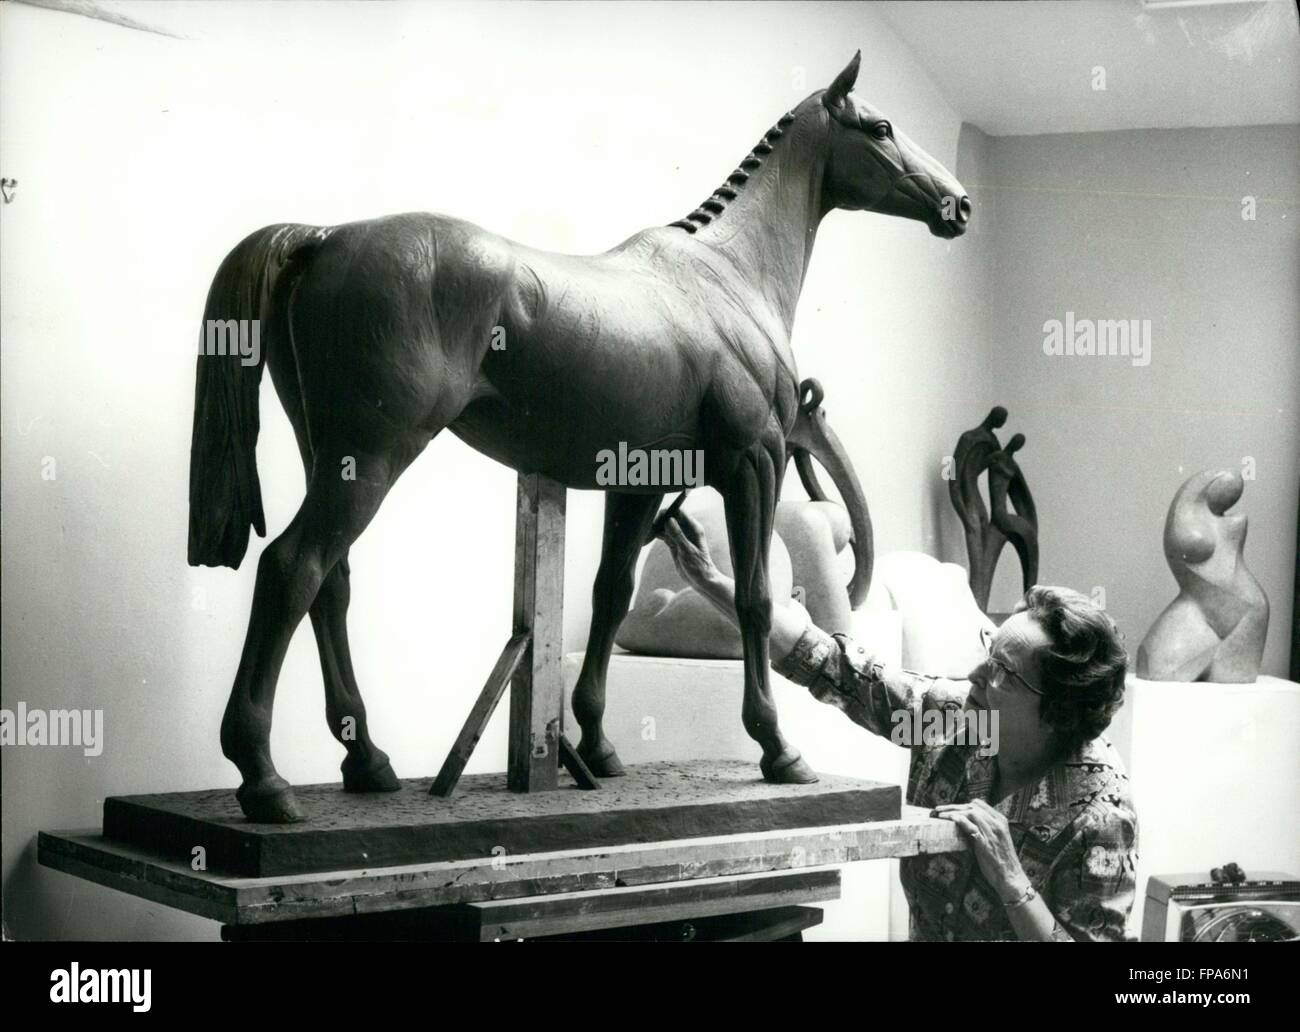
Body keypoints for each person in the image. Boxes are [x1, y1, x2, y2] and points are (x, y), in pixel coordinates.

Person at [658, 511, 1138, 942]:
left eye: (1002, 674)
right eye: (987, 652)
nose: (974, 675)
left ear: (1056, 713)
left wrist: (1011, 879)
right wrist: (715, 584)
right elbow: (839, 671)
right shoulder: (963, 723)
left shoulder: (1099, 816)